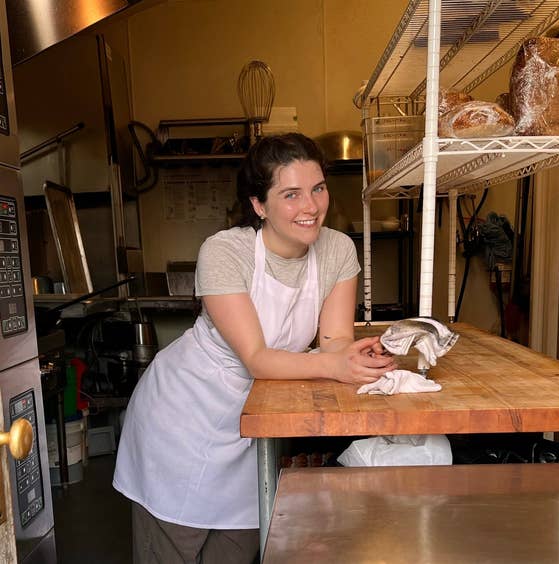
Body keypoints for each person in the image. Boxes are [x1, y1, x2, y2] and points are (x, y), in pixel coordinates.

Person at [113, 133, 396, 564]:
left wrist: (353, 357)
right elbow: (257, 358)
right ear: (259, 205)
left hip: (253, 429)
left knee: (238, 549)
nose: (311, 206)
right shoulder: (226, 251)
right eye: (291, 194)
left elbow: (333, 341)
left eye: (318, 188)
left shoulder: (338, 249)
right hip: (182, 421)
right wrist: (334, 363)